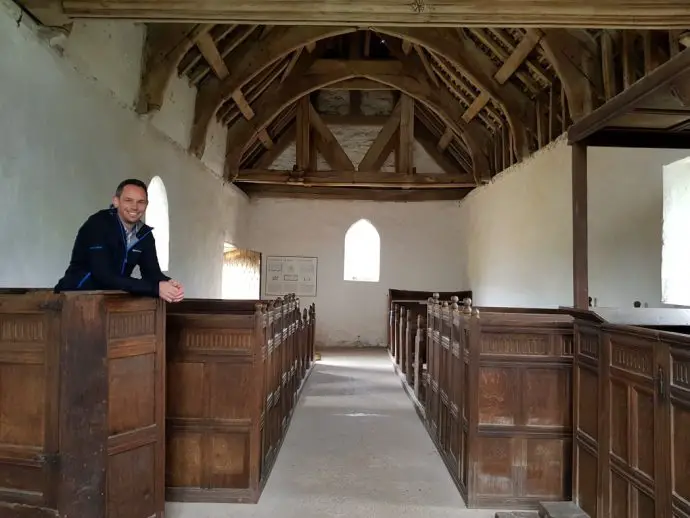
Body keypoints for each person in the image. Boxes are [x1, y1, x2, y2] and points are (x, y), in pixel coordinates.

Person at [54, 179, 185, 303]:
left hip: (112, 300)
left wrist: (168, 284)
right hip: (75, 296)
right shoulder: (98, 224)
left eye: (141, 202)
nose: (135, 207)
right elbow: (103, 275)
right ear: (116, 201)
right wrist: (156, 288)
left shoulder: (144, 234)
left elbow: (151, 273)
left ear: (146, 205)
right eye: (128, 200)